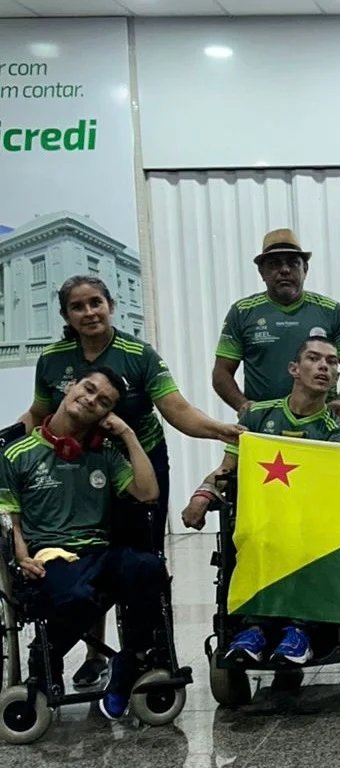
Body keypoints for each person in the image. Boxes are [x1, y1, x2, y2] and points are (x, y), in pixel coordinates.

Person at [17, 275, 241, 688]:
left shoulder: (139, 354)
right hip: (79, 465)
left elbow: (176, 409)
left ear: (111, 305)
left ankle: (151, 652)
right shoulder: (52, 359)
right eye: (78, 307)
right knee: (85, 556)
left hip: (138, 461)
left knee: (143, 560)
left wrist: (219, 431)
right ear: (66, 315)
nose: (89, 312)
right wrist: (10, 443)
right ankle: (94, 656)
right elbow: (38, 412)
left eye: (96, 303)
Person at [0, 366, 166, 720]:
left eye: (103, 401)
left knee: (148, 567)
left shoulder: (105, 454)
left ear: (107, 414)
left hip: (99, 553)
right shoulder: (17, 453)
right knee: (76, 596)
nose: (91, 400)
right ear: (71, 386)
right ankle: (45, 657)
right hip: (49, 557)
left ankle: (129, 662)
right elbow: (9, 517)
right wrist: (21, 557)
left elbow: (148, 492)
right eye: (88, 389)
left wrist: (128, 434)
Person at [183, 336, 340, 665]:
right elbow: (226, 470)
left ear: (336, 377)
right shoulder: (257, 418)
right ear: (294, 368)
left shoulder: (337, 432)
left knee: (305, 539)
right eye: (313, 358)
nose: (323, 366)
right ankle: (255, 628)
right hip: (260, 521)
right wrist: (201, 495)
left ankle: (300, 630)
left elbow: (338, 490)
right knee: (253, 536)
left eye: (332, 362)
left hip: (310, 524)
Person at [213, 228, 340, 426]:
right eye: (274, 264)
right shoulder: (242, 312)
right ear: (261, 272)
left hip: (320, 425)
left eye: (293, 263)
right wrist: (242, 405)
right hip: (263, 425)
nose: (285, 270)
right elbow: (221, 373)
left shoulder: (331, 311)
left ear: (305, 269)